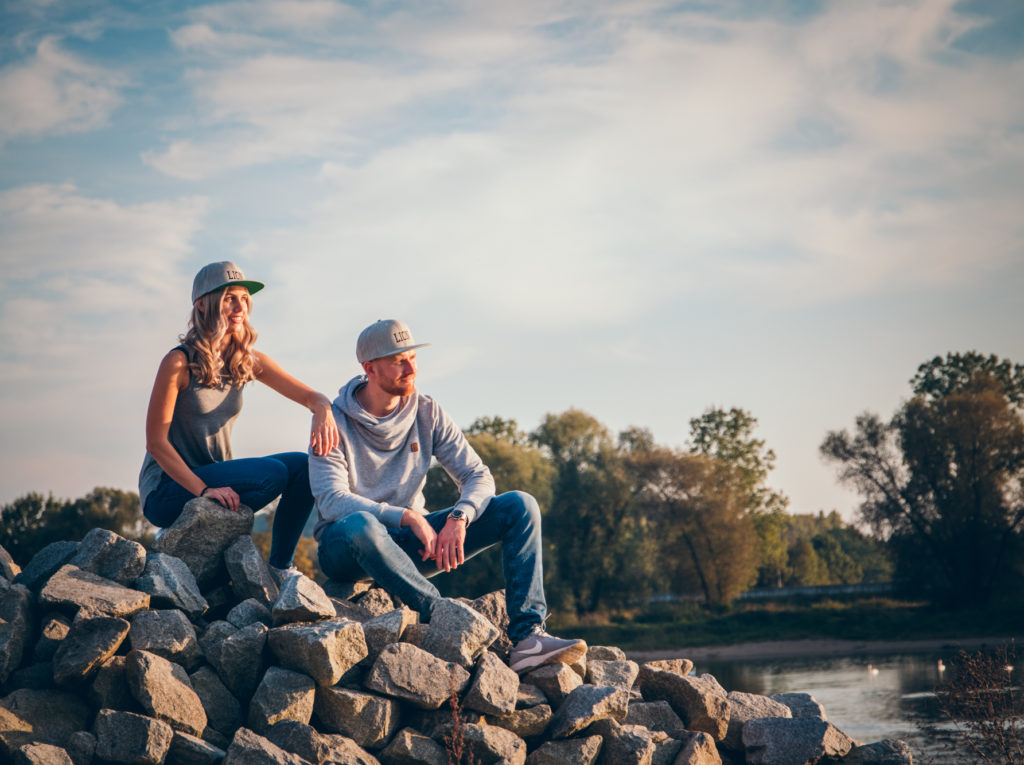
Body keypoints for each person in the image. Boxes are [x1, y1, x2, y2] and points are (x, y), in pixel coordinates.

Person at [309, 318, 585, 673]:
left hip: (410, 545)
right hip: (346, 547)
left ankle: (528, 637)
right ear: (370, 368)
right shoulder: (332, 421)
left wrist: (460, 516)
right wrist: (406, 515)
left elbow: (477, 475)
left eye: (412, 357)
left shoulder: (426, 411)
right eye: (399, 361)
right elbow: (332, 500)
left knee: (520, 505)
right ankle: (445, 616)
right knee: (361, 524)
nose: (412, 368)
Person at [140, 261, 339, 578]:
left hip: (216, 482)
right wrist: (204, 491)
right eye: (230, 297)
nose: (240, 306)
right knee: (272, 473)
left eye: (244, 299)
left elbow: (311, 396)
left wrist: (321, 410)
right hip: (168, 490)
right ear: (203, 303)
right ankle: (189, 530)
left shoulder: (245, 360)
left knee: (304, 466)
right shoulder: (178, 362)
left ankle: (280, 568)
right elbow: (156, 443)